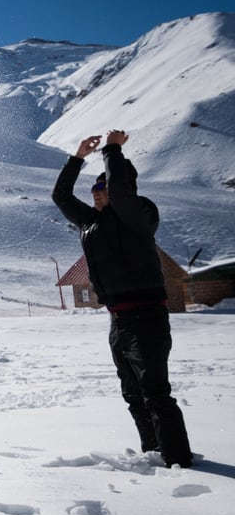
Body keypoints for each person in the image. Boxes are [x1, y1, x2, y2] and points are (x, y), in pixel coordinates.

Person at [52, 130, 192, 467]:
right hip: (119, 320)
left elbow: (122, 191)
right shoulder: (91, 222)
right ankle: (154, 452)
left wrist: (112, 150)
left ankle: (180, 462)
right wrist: (78, 157)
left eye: (102, 187)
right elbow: (61, 195)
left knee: (155, 392)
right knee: (133, 393)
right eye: (95, 189)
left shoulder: (137, 216)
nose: (97, 193)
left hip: (147, 317)